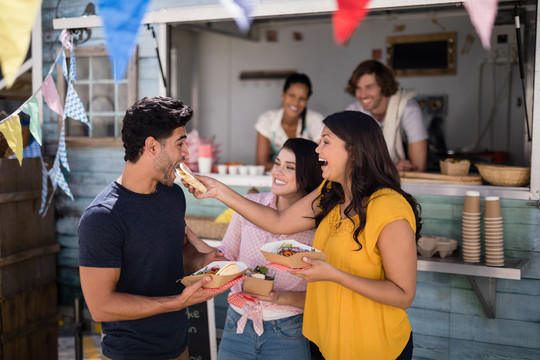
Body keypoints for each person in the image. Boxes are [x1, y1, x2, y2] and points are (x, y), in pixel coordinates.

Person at [183, 111, 422, 359]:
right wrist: (219, 191)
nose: (318, 150)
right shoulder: (331, 193)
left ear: (354, 150)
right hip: (325, 344)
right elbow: (278, 221)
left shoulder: (389, 207)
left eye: (326, 142)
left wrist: (334, 275)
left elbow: (403, 295)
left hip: (374, 347)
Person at [78, 96, 229, 360]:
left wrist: (206, 261)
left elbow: (171, 255)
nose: (186, 153)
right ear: (151, 146)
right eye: (180, 143)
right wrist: (178, 303)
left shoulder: (172, 196)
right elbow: (101, 307)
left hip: (180, 348)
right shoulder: (102, 217)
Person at [216, 138, 323, 360]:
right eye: (277, 163)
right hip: (238, 322)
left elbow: (323, 295)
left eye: (290, 167)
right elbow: (225, 255)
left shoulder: (320, 227)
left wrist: (279, 297)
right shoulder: (249, 205)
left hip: (289, 330)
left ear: (309, 175)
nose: (278, 171)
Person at [345, 59, 428, 172]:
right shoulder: (353, 112)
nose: (363, 95)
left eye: (369, 87)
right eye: (358, 88)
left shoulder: (408, 108)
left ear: (383, 86)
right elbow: (346, 164)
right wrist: (391, 169)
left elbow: (419, 167)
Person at [255, 72, 325, 171]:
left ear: (307, 100)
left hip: (306, 184)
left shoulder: (315, 121)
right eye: (292, 95)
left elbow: (320, 160)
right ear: (283, 95)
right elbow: (262, 164)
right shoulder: (267, 120)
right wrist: (297, 170)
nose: (296, 102)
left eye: (302, 98)